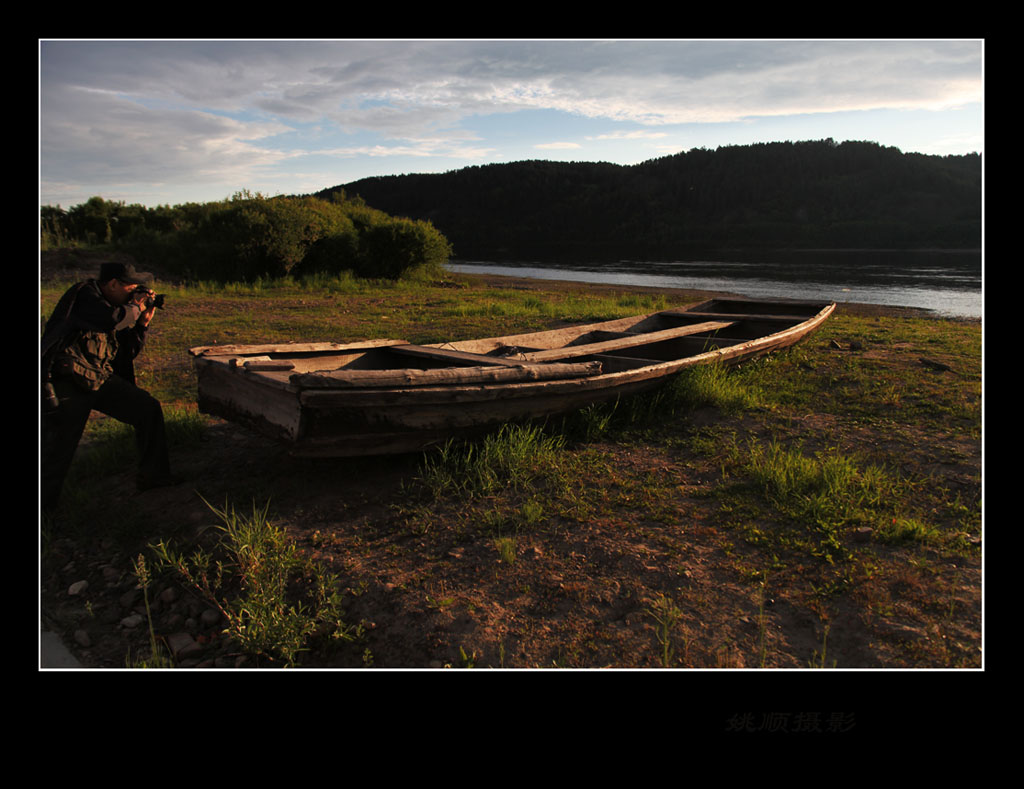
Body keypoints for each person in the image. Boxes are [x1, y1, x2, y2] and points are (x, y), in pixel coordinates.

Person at [41, 262, 180, 515]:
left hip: (97, 380)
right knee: (56, 453)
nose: (132, 294)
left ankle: (154, 475)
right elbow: (110, 320)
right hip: (68, 382)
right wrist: (135, 307)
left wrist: (142, 324)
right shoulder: (85, 295)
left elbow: (124, 354)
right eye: (130, 288)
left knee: (147, 409)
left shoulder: (117, 308)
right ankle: (45, 517)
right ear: (113, 284)